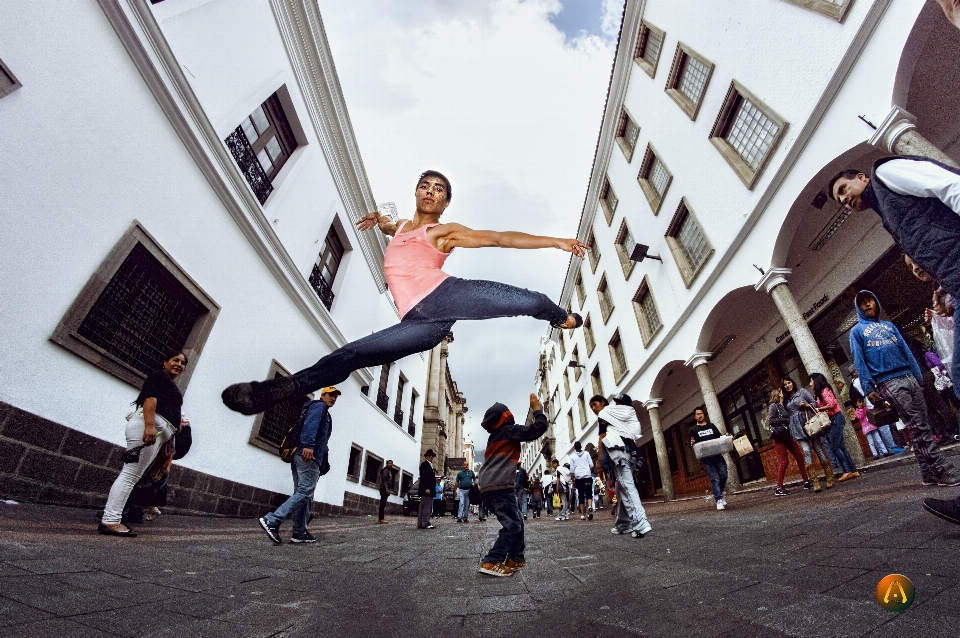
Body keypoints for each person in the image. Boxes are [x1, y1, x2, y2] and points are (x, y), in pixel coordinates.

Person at [222, 170, 587, 416]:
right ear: (416, 192)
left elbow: (499, 238)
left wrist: (556, 241)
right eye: (425, 185)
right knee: (349, 355)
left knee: (528, 300)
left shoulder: (446, 232)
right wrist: (379, 220)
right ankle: (272, 393)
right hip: (420, 324)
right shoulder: (400, 227)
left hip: (445, 295)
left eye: (439, 190)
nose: (430, 191)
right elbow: (392, 227)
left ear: (445, 205)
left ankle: (562, 317)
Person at [848, 291, 959, 487]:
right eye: (862, 303)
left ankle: (928, 473)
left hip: (909, 377)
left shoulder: (889, 326)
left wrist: (918, 376)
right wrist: (868, 388)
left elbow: (906, 352)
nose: (867, 304)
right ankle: (942, 469)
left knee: (920, 424)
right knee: (918, 425)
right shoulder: (857, 332)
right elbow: (860, 360)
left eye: (870, 300)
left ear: (876, 301)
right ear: (859, 308)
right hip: (888, 382)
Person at [99, 352, 191, 537]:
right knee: (130, 475)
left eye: (183, 363)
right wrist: (149, 426)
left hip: (157, 431)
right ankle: (110, 521)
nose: (179, 364)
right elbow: (150, 399)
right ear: (165, 362)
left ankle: (112, 519)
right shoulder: (158, 376)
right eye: (175, 360)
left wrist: (177, 424)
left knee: (133, 475)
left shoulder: (169, 383)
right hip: (147, 427)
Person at [477, 394, 548, 577]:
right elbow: (538, 428)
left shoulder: (494, 436)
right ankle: (492, 561)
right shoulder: (509, 430)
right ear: (506, 417)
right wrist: (536, 408)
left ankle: (515, 558)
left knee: (517, 521)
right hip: (499, 486)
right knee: (512, 526)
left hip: (490, 486)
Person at [258, 387, 339, 544]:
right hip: (308, 455)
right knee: (305, 491)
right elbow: (311, 426)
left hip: (305, 456)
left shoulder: (324, 412)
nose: (333, 399)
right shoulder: (319, 406)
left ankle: (299, 532)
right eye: (331, 395)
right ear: (323, 395)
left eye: (336, 397)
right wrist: (308, 445)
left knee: (305, 495)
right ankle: (272, 520)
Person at [591, 394, 652, 537]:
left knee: (627, 487)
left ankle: (641, 522)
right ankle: (623, 524)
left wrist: (599, 461)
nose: (594, 409)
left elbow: (602, 438)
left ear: (603, 403)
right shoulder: (627, 416)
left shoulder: (605, 414)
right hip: (630, 455)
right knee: (620, 488)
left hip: (619, 455)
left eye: (595, 405)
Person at [782, 377, 833, 491]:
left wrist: (806, 404)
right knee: (806, 451)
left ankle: (829, 477)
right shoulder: (786, 399)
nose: (787, 386)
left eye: (789, 383)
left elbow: (814, 403)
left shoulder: (802, 392)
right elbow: (785, 414)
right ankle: (815, 482)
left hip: (809, 423)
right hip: (797, 427)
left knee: (818, 448)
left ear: (793, 383)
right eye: (785, 385)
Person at [810, 373, 859, 481]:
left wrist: (819, 409)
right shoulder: (821, 392)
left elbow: (832, 404)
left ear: (816, 381)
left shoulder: (824, 390)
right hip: (835, 418)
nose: (810, 384)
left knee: (834, 446)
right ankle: (853, 470)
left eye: (811, 381)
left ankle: (847, 471)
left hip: (836, 418)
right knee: (841, 446)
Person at [767, 388, 811, 496]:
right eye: (781, 392)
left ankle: (806, 481)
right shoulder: (773, 406)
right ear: (778, 394)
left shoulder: (784, 406)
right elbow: (771, 421)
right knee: (784, 461)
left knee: (799, 457)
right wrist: (785, 420)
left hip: (788, 435)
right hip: (778, 437)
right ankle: (779, 487)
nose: (783, 394)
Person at [849, 365, 903, 454]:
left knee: (882, 428)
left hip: (870, 407)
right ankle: (892, 447)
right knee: (884, 425)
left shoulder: (853, 383)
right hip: (872, 405)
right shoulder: (858, 381)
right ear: (854, 372)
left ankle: (887, 448)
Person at [688, 408, 729, 510]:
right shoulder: (693, 430)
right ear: (695, 416)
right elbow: (690, 443)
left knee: (724, 475)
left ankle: (719, 494)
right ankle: (718, 499)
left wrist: (725, 437)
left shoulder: (711, 426)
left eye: (701, 413)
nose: (700, 415)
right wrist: (691, 443)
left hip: (717, 456)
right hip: (706, 459)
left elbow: (719, 438)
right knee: (714, 479)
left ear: (704, 415)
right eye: (697, 414)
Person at [854, 395, 889, 459]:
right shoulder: (857, 412)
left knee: (878, 439)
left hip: (871, 425)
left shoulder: (866, 408)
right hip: (866, 428)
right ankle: (875, 454)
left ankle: (884, 451)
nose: (861, 403)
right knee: (871, 442)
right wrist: (861, 410)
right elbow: (860, 417)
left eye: (861, 402)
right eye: (859, 402)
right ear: (856, 404)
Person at [569, 441, 594, 521]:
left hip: (579, 477)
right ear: (581, 446)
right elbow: (592, 465)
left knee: (581, 495)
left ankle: (583, 515)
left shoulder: (572, 456)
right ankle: (590, 506)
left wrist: (573, 479)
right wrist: (588, 470)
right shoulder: (586, 453)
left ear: (574, 448)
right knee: (589, 493)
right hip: (587, 475)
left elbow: (572, 470)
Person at [417, 450, 437, 530]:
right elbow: (425, 478)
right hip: (427, 489)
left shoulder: (429, 465)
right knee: (426, 507)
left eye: (432, 456)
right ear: (426, 457)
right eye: (429, 455)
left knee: (423, 506)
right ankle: (425, 523)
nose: (431, 457)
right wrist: (427, 488)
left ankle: (421, 523)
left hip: (428, 489)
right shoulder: (425, 465)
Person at [377, 460, 395, 524]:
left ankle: (381, 518)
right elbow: (384, 480)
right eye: (389, 463)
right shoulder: (385, 470)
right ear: (387, 464)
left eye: (391, 464)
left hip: (385, 489)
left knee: (383, 503)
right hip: (384, 488)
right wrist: (386, 488)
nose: (391, 464)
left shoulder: (389, 471)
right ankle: (381, 518)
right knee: (382, 503)